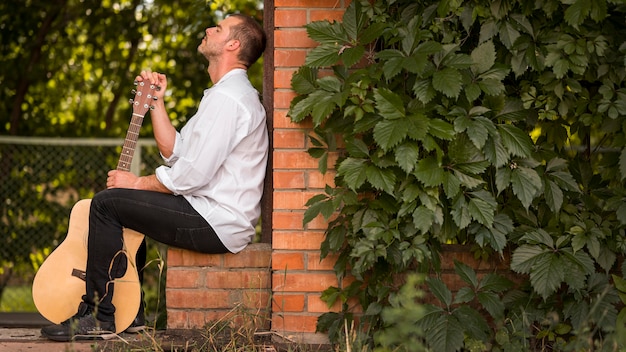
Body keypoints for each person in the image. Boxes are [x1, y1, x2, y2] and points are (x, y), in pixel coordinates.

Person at [40, 13, 268, 342]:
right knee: (128, 207)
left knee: (107, 204)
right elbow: (176, 151)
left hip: (217, 221)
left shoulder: (229, 100)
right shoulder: (223, 96)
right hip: (209, 212)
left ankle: (98, 316)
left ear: (232, 44)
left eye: (217, 29)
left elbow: (191, 175)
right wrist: (156, 103)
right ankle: (131, 314)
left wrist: (135, 182)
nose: (207, 29)